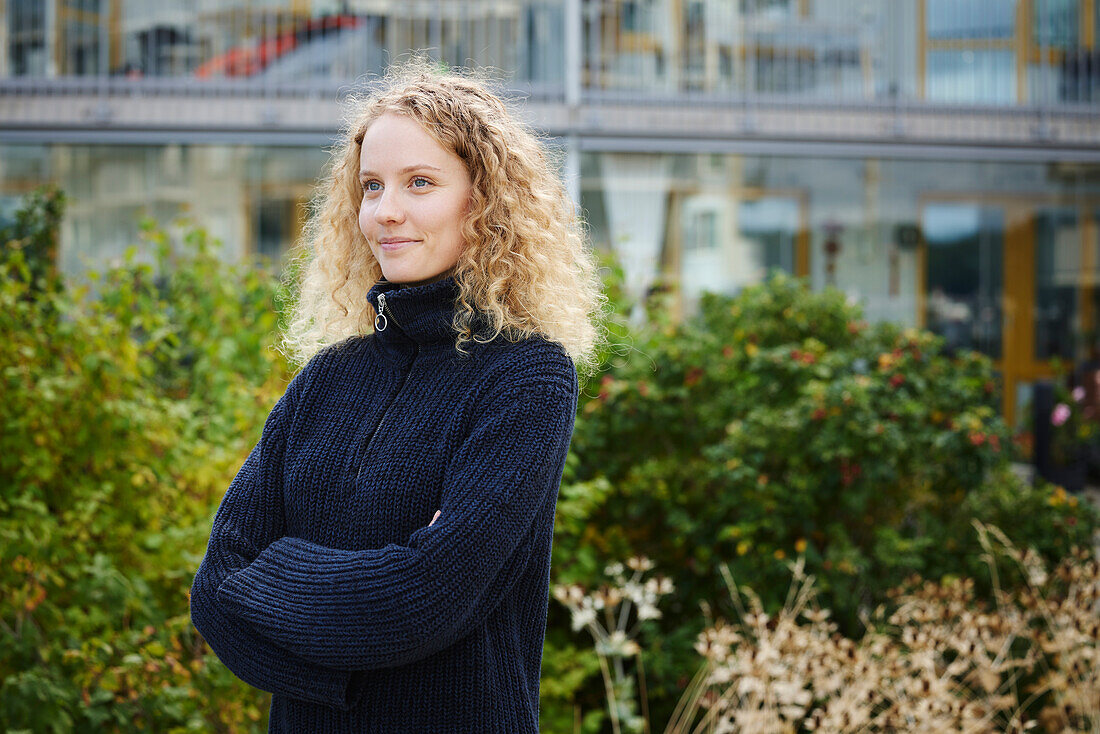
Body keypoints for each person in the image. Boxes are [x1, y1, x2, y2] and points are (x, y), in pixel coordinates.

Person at [189, 59, 605, 733]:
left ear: (486, 200)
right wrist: (373, 610)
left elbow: (427, 596)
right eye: (372, 185)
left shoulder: (529, 378)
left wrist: (276, 578)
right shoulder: (326, 378)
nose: (386, 212)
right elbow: (214, 592)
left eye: (420, 183)